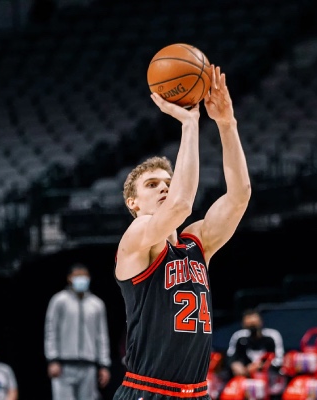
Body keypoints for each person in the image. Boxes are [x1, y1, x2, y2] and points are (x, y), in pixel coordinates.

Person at [112, 64, 251, 400]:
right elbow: (181, 206)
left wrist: (226, 124)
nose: (164, 188)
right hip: (148, 391)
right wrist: (190, 124)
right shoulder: (137, 237)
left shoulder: (195, 243)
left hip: (196, 393)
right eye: (152, 184)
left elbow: (239, 196)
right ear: (133, 202)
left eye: (168, 183)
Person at [44, 263, 112, 400]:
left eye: (84, 276)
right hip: (64, 365)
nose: (81, 279)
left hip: (88, 365)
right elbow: (51, 330)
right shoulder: (59, 301)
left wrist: (104, 364)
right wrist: (52, 359)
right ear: (70, 278)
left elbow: (102, 336)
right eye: (77, 276)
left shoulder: (96, 304)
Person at [226, 309, 286, 399]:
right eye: (249, 325)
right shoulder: (239, 336)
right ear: (243, 324)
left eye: (254, 324)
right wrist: (235, 365)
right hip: (245, 379)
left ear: (261, 322)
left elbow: (279, 360)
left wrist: (260, 366)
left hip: (270, 379)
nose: (252, 328)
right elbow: (230, 356)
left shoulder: (272, 336)